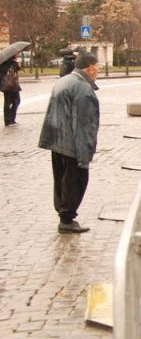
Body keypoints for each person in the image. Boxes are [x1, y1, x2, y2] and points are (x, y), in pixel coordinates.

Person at [38, 51, 100, 234]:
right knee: (76, 180)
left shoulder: (64, 81)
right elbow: (83, 124)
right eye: (97, 67)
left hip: (56, 141)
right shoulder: (82, 88)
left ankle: (63, 214)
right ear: (89, 68)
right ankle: (67, 218)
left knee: (61, 179)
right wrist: (84, 155)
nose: (98, 71)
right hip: (71, 143)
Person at [1, 58, 21, 125]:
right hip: (10, 85)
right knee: (14, 101)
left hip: (8, 85)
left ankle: (9, 120)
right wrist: (16, 64)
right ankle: (9, 120)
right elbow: (11, 71)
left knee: (11, 101)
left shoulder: (6, 61)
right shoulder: (9, 61)